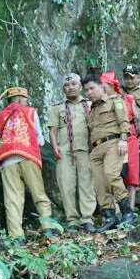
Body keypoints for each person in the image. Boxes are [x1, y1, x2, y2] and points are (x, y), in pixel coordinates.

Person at [0, 86, 55, 241]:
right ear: (22, 99)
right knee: (39, 194)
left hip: (7, 161)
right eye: (26, 99)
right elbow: (40, 140)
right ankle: (47, 228)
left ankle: (16, 237)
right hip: (28, 157)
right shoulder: (31, 112)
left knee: (12, 199)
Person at [83, 74, 137, 231]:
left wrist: (123, 139)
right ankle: (109, 217)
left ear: (101, 87)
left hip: (113, 143)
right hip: (96, 149)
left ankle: (127, 212)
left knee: (111, 175)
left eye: (92, 88)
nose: (89, 92)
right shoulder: (92, 109)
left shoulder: (115, 101)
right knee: (99, 184)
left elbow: (124, 121)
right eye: (86, 90)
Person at [48, 73, 97, 232]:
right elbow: (53, 130)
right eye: (67, 85)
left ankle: (87, 219)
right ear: (63, 89)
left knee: (86, 184)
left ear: (80, 87)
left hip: (86, 149)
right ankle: (72, 221)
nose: (70, 88)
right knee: (66, 185)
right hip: (64, 151)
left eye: (74, 84)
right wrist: (55, 147)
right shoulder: (57, 107)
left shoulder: (90, 104)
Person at [102, 71, 140, 210]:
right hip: (112, 141)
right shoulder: (102, 103)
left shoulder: (128, 99)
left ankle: (130, 209)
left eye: (104, 86)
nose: (102, 89)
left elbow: (137, 119)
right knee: (115, 175)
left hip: (131, 139)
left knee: (132, 175)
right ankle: (118, 210)